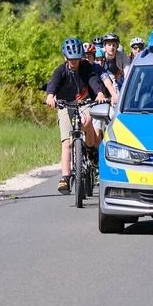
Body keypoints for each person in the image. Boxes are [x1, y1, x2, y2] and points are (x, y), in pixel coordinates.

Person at [44, 36, 111, 194]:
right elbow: (53, 84)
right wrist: (50, 96)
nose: (74, 62)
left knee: (87, 122)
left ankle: (90, 150)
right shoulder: (61, 70)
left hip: (85, 102)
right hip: (65, 104)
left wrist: (100, 93)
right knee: (66, 142)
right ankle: (65, 178)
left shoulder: (86, 67)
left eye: (77, 59)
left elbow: (93, 80)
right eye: (71, 59)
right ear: (65, 57)